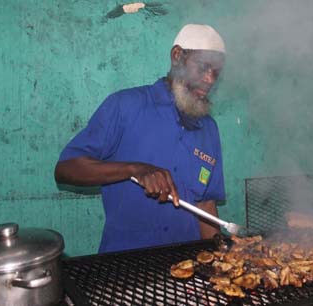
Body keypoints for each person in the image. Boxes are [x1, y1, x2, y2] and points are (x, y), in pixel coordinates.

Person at [54, 24, 226, 253]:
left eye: (216, 72)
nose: (210, 79)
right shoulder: (126, 106)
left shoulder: (208, 128)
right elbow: (65, 169)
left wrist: (222, 262)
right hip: (125, 269)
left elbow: (205, 205)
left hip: (188, 269)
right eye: (204, 67)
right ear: (177, 56)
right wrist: (134, 169)